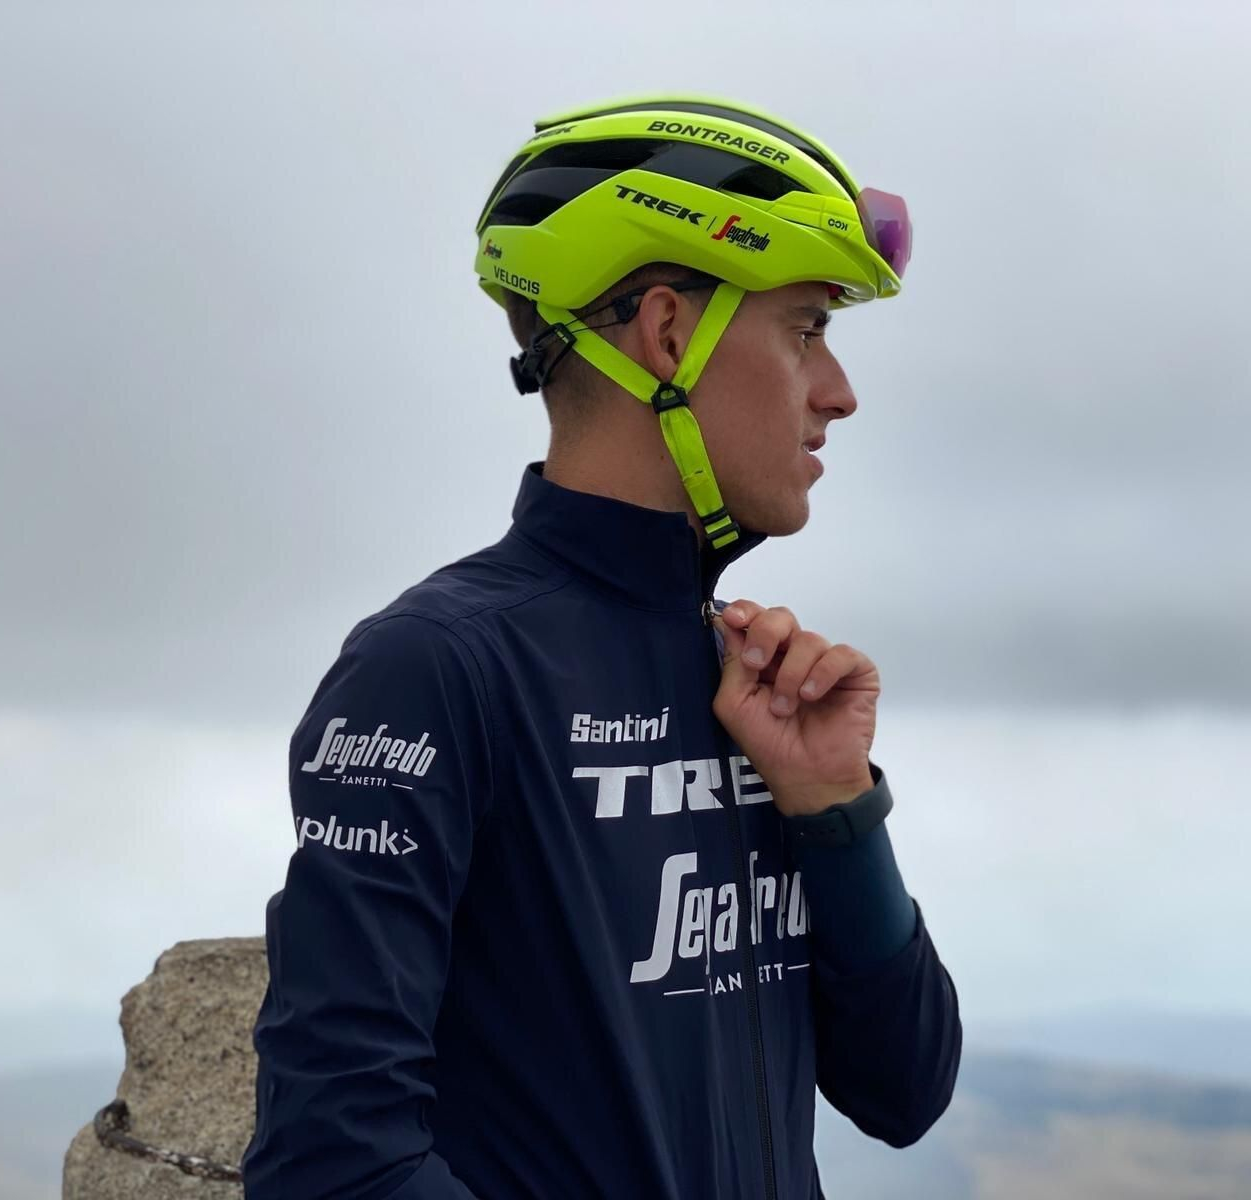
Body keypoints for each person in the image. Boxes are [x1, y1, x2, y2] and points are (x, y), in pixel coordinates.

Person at [242, 92, 961, 1199]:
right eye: (808, 327)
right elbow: (333, 1163)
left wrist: (837, 812)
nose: (840, 393)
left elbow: (904, 1089)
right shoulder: (434, 669)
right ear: (669, 334)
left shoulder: (750, 682)